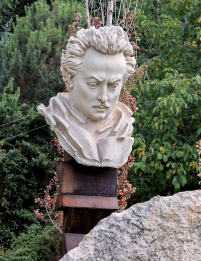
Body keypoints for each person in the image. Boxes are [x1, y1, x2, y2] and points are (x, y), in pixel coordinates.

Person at [37, 26, 137, 167]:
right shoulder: (58, 116)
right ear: (70, 78)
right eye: (93, 84)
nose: (104, 97)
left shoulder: (123, 126)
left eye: (113, 86)